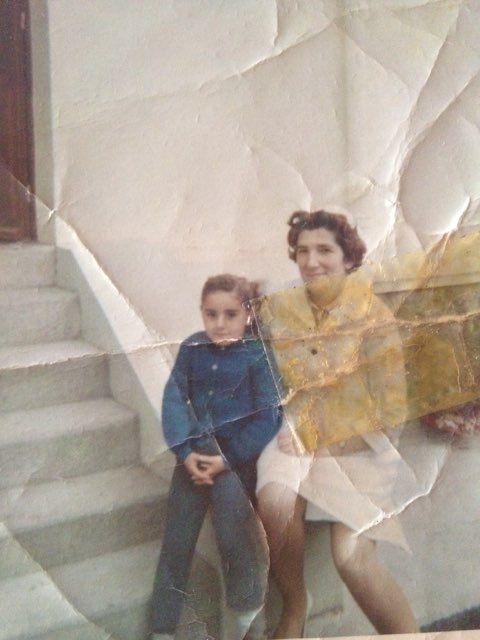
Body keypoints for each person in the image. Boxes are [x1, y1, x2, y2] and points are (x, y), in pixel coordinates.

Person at [255, 211, 419, 638]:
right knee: (274, 499)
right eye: (303, 251)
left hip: (361, 444)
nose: (311, 261)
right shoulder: (283, 309)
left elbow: (391, 410)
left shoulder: (374, 317)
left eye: (324, 250)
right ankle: (295, 604)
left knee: (351, 556)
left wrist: (323, 432)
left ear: (348, 258)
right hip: (297, 435)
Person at [151, 274, 282, 640]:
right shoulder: (193, 347)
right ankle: (162, 626)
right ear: (202, 313)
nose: (220, 324)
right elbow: (174, 399)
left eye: (230, 314)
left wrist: (227, 460)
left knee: (233, 536)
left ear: (248, 314)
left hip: (235, 463)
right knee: (177, 540)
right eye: (211, 315)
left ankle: (244, 615)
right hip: (195, 457)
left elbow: (268, 417)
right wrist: (184, 452)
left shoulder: (257, 354)